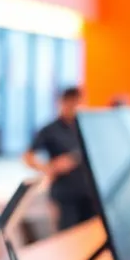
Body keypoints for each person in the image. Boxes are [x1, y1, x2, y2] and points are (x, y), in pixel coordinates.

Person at [23, 87, 95, 231]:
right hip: (65, 194)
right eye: (72, 104)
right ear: (63, 103)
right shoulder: (50, 130)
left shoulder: (86, 127)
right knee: (68, 234)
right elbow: (28, 156)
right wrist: (49, 168)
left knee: (92, 232)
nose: (76, 108)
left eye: (79, 104)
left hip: (89, 192)